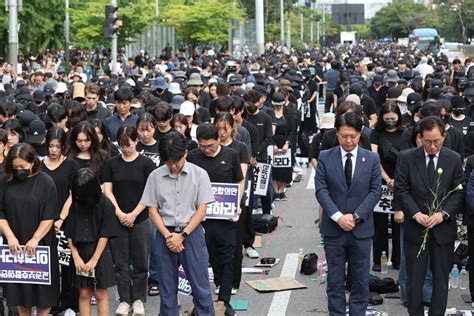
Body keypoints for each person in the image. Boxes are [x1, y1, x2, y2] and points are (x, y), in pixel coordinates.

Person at [139, 131, 215, 316]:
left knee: (201, 289)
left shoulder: (199, 175)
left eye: (176, 162)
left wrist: (182, 236)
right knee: (167, 291)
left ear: (186, 154)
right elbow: (152, 210)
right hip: (164, 236)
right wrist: (168, 236)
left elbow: (201, 209)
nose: (172, 166)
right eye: (168, 162)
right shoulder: (155, 176)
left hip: (192, 234)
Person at [394, 116, 464, 316]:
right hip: (416, 228)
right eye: (427, 141)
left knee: (441, 281)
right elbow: (402, 190)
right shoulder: (407, 157)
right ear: (419, 137)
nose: (432, 146)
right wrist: (415, 214)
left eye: (437, 141)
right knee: (415, 280)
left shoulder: (453, 159)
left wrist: (443, 214)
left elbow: (458, 191)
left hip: (442, 230)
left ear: (444, 136)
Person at [315, 112, 382, 315]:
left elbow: (375, 191)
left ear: (360, 133)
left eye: (353, 135)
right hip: (333, 229)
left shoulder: (371, 158)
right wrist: (337, 216)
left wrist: (355, 216)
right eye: (344, 136)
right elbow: (321, 190)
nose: (349, 140)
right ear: (336, 133)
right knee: (335, 281)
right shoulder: (326, 157)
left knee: (360, 281)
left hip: (361, 229)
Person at [0, 143, 60, 316]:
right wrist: (10, 236)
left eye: (23, 166)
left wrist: (35, 239)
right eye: (15, 167)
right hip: (14, 244)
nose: (19, 170)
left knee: (44, 293)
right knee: (19, 292)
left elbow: (49, 215)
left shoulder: (46, 182)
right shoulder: (5, 181)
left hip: (41, 244)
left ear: (32, 162)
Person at [102, 125, 155, 316]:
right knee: (121, 263)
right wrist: (119, 213)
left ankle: (139, 298)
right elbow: (107, 190)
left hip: (140, 218)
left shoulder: (147, 163)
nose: (125, 149)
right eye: (122, 145)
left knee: (141, 261)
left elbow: (151, 193)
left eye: (129, 145)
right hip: (117, 219)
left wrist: (133, 214)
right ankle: (125, 299)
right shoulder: (111, 163)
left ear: (136, 142)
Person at [64, 168, 119, 316]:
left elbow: (105, 234)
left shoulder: (105, 204)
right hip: (79, 251)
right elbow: (69, 231)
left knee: (101, 294)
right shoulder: (75, 203)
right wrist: (75, 257)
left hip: (100, 252)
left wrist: (94, 260)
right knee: (84, 294)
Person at [41, 127, 80, 313]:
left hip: (67, 222)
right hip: (43, 222)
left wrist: (61, 218)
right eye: (50, 146)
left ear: (64, 146)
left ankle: (70, 304)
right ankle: (51, 304)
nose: (54, 150)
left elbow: (73, 194)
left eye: (57, 146)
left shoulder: (71, 166)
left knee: (68, 265)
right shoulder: (39, 166)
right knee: (49, 265)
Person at [213, 112, 251, 294]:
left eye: (225, 128)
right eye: (218, 129)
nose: (221, 132)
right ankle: (219, 280)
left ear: (232, 128)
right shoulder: (211, 147)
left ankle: (233, 282)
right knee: (214, 245)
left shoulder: (240, 147)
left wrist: (236, 203)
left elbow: (241, 179)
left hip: (233, 203)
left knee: (234, 244)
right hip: (212, 205)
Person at [369, 101, 403, 272]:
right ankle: (379, 259)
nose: (390, 121)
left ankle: (398, 259)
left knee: (398, 222)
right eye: (387, 118)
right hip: (381, 181)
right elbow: (374, 158)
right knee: (379, 224)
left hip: (400, 181)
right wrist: (387, 178)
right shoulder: (376, 134)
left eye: (393, 118)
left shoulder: (405, 133)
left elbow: (407, 158)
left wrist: (396, 180)